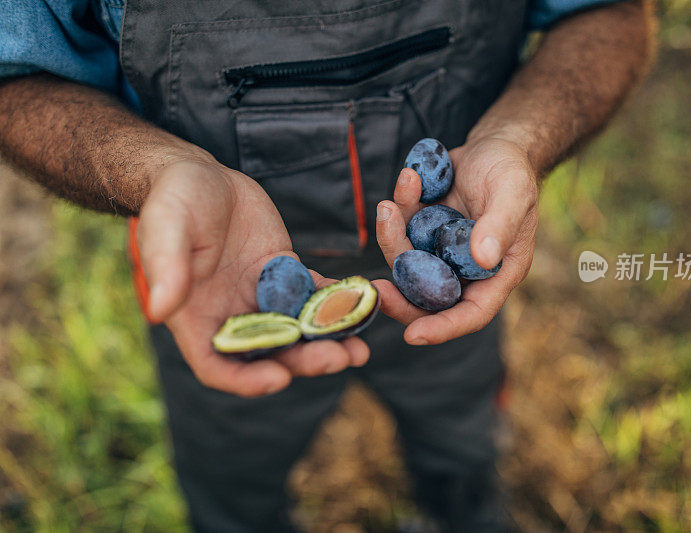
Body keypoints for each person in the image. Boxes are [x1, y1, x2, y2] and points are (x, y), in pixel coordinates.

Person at [0, 1, 654, 530]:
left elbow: (611, 12)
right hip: (220, 280)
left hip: (439, 295)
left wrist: (519, 138)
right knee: (231, 490)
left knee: (464, 447)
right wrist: (155, 172)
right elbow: (17, 75)